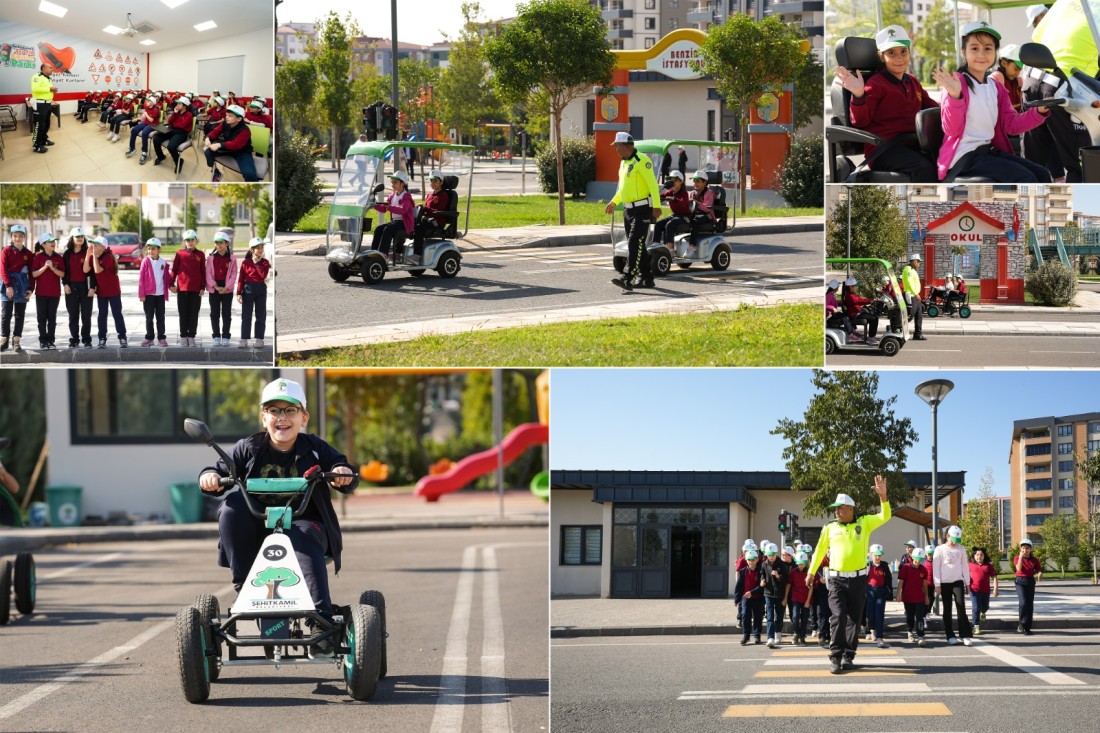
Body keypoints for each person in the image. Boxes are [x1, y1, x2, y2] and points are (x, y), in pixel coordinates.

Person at [198, 378, 358, 655]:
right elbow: (219, 468)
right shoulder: (249, 448)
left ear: (303, 417)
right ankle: (246, 589)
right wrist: (210, 477)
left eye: (290, 411)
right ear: (263, 418)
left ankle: (321, 620)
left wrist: (342, 474)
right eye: (274, 411)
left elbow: (341, 466)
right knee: (231, 506)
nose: (282, 418)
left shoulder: (315, 448)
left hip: (305, 522)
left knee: (301, 536)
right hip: (258, 527)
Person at [931, 21, 1052, 182]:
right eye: (974, 48)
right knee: (1026, 179)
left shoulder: (995, 87)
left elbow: (1012, 125)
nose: (981, 54)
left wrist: (1040, 111)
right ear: (963, 52)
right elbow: (952, 130)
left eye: (988, 48)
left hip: (987, 152)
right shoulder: (956, 84)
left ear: (995, 52)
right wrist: (955, 96)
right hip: (964, 157)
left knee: (1042, 174)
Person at [806, 476, 892, 675]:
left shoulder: (864, 523)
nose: (837, 510)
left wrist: (883, 497)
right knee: (838, 616)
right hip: (836, 579)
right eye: (835, 508)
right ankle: (835, 656)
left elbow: (885, 516)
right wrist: (811, 572)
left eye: (841, 507)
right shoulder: (830, 527)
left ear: (851, 509)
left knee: (854, 618)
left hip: (859, 579)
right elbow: (819, 550)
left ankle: (848, 654)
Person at [834, 26, 940, 181]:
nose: (899, 57)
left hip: (914, 144)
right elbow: (860, 121)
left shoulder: (913, 82)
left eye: (903, 51)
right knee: (924, 168)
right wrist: (858, 95)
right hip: (885, 149)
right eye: (891, 53)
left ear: (909, 52)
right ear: (881, 56)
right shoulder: (875, 84)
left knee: (946, 160)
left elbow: (934, 110)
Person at [1023, 0, 1089, 181]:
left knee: (1032, 164)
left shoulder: (1062, 4)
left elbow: (1037, 39)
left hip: (1033, 80)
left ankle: (1030, 203)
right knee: (1080, 166)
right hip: (1064, 86)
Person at [606, 132, 661, 291]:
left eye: (616, 146)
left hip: (642, 209)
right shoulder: (624, 163)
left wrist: (656, 207)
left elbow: (652, 185)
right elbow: (624, 188)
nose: (615, 149)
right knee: (638, 244)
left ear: (623, 145)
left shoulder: (642, 160)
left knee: (634, 241)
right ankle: (647, 278)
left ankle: (628, 277)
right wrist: (614, 201)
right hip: (628, 210)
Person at [933, 525, 973, 646]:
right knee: (947, 609)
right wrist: (937, 584)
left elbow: (965, 567)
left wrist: (968, 583)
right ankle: (950, 635)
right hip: (944, 583)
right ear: (947, 536)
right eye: (953, 539)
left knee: (961, 607)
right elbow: (936, 568)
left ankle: (965, 635)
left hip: (958, 582)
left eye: (957, 540)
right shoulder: (939, 549)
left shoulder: (961, 549)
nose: (955, 542)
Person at [86, 236, 127, 348]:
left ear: (103, 247)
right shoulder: (95, 257)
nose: (93, 247)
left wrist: (93, 255)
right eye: (93, 244)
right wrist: (89, 255)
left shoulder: (108, 257)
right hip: (102, 292)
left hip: (113, 291)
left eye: (96, 245)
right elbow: (87, 270)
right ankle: (102, 339)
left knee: (117, 314)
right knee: (102, 315)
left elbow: (97, 270)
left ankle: (122, 337)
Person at [170, 230, 206, 347]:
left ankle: (191, 336)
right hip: (182, 289)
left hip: (196, 290)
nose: (190, 242)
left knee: (194, 313)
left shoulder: (200, 254)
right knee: (183, 313)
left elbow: (203, 271)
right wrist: (171, 284)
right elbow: (174, 270)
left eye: (192, 240)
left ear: (196, 241)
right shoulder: (180, 254)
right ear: (184, 242)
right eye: (187, 240)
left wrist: (202, 287)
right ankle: (183, 336)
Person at [2, 225, 35, 353]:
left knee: (20, 315)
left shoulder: (28, 254)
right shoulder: (6, 250)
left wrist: (31, 289)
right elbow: (2, 269)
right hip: (8, 284)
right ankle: (4, 339)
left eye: (21, 235)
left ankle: (16, 340)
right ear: (11, 237)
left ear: (24, 237)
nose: (18, 238)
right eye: (15, 235)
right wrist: (8, 285)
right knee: (6, 314)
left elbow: (31, 273)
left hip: (22, 285)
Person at [61, 228, 96, 349]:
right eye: (77, 236)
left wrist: (92, 287)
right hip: (71, 287)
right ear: (72, 238)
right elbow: (64, 272)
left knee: (86, 315)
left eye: (81, 236)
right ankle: (74, 339)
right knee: (73, 315)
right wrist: (65, 284)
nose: (80, 238)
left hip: (85, 287)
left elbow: (93, 272)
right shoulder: (67, 254)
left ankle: (86, 339)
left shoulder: (88, 252)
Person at [204, 105, 257, 182]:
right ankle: (215, 171)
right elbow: (216, 131)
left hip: (242, 151)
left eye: (230, 116)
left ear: (239, 118)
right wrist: (208, 138)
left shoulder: (245, 130)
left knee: (249, 173)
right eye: (226, 115)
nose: (226, 117)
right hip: (227, 148)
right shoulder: (225, 123)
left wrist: (219, 145)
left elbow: (236, 144)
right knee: (208, 152)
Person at [410, 171, 452, 266]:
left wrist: (426, 209)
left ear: (441, 182)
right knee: (410, 225)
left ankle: (416, 256)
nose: (432, 183)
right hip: (428, 220)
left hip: (436, 223)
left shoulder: (444, 195)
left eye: (435, 181)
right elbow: (427, 210)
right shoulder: (430, 195)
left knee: (418, 229)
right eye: (431, 181)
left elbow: (438, 211)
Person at [371, 171, 416, 260]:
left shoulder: (406, 196)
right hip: (395, 222)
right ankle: (373, 252)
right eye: (392, 182)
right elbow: (384, 209)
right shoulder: (392, 195)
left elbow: (403, 210)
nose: (392, 184)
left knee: (388, 229)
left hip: (404, 224)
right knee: (379, 229)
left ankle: (383, 253)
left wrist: (389, 207)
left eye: (395, 182)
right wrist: (374, 205)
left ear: (403, 183)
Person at [31, 231, 64, 350]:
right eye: (50, 241)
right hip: (41, 293)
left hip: (55, 293)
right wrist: (45, 267)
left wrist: (52, 268)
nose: (53, 243)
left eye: (54, 241)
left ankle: (51, 340)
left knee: (52, 318)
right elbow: (34, 274)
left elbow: (62, 274)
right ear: (43, 244)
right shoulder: (38, 257)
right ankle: (43, 340)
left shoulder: (58, 257)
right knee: (41, 318)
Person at [137, 237, 171, 347]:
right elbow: (141, 278)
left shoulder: (163, 263)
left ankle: (161, 337)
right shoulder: (145, 261)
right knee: (149, 317)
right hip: (148, 295)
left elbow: (166, 278)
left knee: (161, 317)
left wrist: (171, 286)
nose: (151, 251)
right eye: (149, 249)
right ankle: (149, 337)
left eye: (153, 249)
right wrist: (141, 294)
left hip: (160, 294)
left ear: (159, 250)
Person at [206, 232, 237, 347]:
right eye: (217, 242)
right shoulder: (210, 258)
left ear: (227, 243)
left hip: (226, 288)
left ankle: (225, 336)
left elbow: (234, 274)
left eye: (221, 242)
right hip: (214, 288)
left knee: (226, 313)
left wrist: (227, 287)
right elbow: (208, 273)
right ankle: (216, 336)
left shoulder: (232, 259)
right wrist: (215, 286)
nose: (219, 245)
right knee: (214, 313)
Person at [237, 237, 270, 348]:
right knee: (246, 315)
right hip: (248, 289)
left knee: (261, 315)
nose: (261, 250)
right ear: (252, 250)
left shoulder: (265, 262)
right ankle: (244, 338)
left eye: (262, 247)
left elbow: (263, 276)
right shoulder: (245, 263)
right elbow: (241, 278)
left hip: (260, 289)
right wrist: (238, 293)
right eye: (258, 248)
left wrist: (257, 263)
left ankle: (259, 338)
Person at [896, 547, 931, 646]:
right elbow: (901, 583)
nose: (918, 562)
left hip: (919, 597)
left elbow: (925, 585)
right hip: (908, 597)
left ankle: (920, 636)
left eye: (920, 560)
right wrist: (898, 594)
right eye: (916, 559)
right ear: (912, 558)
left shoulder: (923, 569)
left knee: (920, 617)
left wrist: (926, 597)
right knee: (910, 616)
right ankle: (910, 632)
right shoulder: (905, 568)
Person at [153, 96, 195, 176]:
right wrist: (174, 113)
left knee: (171, 147)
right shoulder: (177, 112)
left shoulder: (189, 115)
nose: (177, 105)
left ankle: (178, 161)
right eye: (177, 103)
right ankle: (161, 156)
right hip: (171, 130)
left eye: (179, 104)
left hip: (181, 133)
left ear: (184, 106)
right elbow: (169, 121)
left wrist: (173, 124)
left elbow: (182, 126)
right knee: (156, 139)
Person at [733, 547, 765, 645]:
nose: (751, 562)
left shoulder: (760, 571)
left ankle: (757, 636)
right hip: (745, 598)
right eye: (749, 560)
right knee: (745, 616)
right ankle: (746, 636)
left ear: (757, 560)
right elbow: (739, 586)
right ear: (746, 560)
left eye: (753, 559)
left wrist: (752, 592)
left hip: (757, 598)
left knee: (758, 617)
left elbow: (762, 586)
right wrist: (736, 598)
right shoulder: (743, 571)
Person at [761, 542, 790, 647]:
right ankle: (770, 638)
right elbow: (762, 574)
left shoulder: (781, 564)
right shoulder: (764, 564)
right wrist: (762, 580)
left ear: (776, 554)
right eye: (768, 555)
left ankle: (778, 634)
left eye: (772, 555)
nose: (770, 557)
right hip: (768, 593)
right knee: (769, 616)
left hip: (779, 594)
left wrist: (778, 576)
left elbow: (786, 579)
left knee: (778, 616)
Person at [652, 170, 690, 246]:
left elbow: (683, 203)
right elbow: (662, 197)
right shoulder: (670, 192)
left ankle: (669, 248)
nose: (673, 182)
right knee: (658, 224)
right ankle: (655, 245)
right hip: (675, 216)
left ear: (681, 182)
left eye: (675, 180)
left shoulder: (684, 193)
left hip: (685, 217)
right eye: (671, 180)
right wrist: (656, 197)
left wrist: (674, 199)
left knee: (670, 224)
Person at [865, 544, 893, 647]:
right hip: (870, 591)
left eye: (879, 555)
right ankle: (872, 629)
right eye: (875, 555)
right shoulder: (867, 565)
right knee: (870, 614)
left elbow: (889, 579)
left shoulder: (884, 565)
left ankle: (880, 637)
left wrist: (888, 592)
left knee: (879, 614)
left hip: (881, 592)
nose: (877, 558)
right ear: (871, 555)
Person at [1013, 537, 1042, 634]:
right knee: (1023, 602)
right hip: (1020, 581)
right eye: (1023, 548)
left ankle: (1028, 627)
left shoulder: (1034, 560)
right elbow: (1019, 569)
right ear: (1020, 549)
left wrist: (1039, 573)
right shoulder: (1017, 558)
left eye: (1027, 548)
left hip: (1030, 581)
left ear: (1031, 549)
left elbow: (1038, 569)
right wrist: (1021, 557)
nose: (1025, 550)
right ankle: (1021, 623)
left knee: (1029, 604)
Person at [968, 546, 999, 635]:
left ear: (984, 556)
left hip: (985, 591)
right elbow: (965, 576)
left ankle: (983, 612)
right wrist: (966, 587)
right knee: (976, 608)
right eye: (977, 555)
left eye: (981, 555)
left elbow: (994, 576)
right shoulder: (970, 565)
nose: (979, 557)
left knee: (985, 606)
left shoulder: (988, 565)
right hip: (974, 590)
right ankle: (975, 626)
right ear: (974, 556)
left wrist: (996, 588)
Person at [126, 94, 162, 164]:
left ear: (152, 102)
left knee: (144, 133)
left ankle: (144, 153)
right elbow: (144, 118)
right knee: (134, 130)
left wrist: (146, 114)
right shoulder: (147, 109)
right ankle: (132, 148)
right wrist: (137, 119)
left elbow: (151, 120)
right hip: (145, 123)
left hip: (152, 125)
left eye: (148, 101)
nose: (147, 102)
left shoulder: (155, 110)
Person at [842, 276, 879, 342]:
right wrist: (870, 301)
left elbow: (860, 299)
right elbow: (859, 301)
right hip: (855, 314)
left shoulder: (852, 294)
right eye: (855, 286)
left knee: (873, 317)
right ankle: (871, 337)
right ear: (851, 286)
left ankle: (871, 336)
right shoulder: (850, 296)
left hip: (857, 312)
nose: (856, 287)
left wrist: (871, 299)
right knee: (874, 318)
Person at [686, 170, 717, 249]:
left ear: (705, 183)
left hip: (707, 216)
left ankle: (692, 246)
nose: (695, 183)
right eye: (694, 181)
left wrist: (696, 203)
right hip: (696, 214)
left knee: (695, 221)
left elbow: (707, 208)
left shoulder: (709, 193)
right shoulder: (692, 193)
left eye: (698, 181)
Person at [30, 63, 57, 153]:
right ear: (43, 68)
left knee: (46, 124)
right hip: (40, 104)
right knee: (39, 125)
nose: (52, 69)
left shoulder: (48, 79)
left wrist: (53, 91)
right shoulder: (37, 76)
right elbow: (35, 88)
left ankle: (44, 140)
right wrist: (50, 89)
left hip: (48, 104)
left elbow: (47, 89)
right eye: (50, 67)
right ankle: (37, 145)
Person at [990, 44, 1024, 111]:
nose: (1018, 73)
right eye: (1016, 69)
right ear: (1004, 63)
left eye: (1020, 70)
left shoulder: (1019, 81)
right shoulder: (996, 78)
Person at [789, 551, 812, 646]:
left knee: (804, 618)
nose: (801, 566)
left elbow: (811, 588)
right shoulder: (793, 572)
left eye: (802, 564)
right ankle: (796, 633)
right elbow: (789, 585)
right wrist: (786, 597)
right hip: (795, 598)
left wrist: (808, 601)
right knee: (795, 616)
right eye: (799, 564)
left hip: (805, 598)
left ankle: (802, 637)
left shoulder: (809, 573)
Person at [901, 253, 925, 340]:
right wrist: (915, 293)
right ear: (914, 261)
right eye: (918, 261)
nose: (919, 263)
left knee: (919, 315)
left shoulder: (912, 269)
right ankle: (900, 331)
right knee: (910, 315)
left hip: (914, 296)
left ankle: (918, 334)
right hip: (911, 295)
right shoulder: (909, 269)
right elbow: (909, 283)